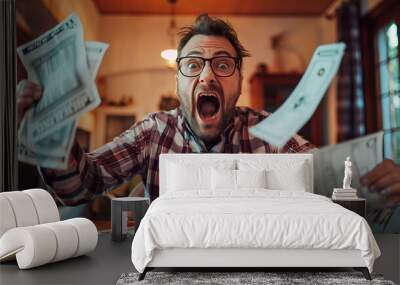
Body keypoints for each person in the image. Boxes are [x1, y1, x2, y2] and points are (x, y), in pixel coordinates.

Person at [16, 14, 400, 207]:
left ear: (239, 79)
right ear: (179, 81)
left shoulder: (268, 130)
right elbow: (79, 187)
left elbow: (323, 173)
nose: (207, 76)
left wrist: (373, 180)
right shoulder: (153, 132)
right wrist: (57, 140)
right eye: (193, 64)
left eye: (222, 64)